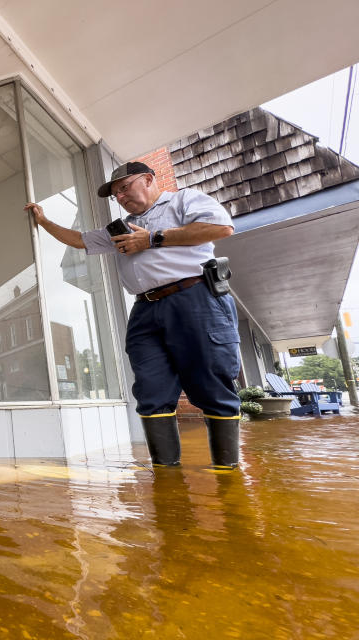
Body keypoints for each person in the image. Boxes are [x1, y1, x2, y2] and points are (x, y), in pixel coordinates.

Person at [24, 161, 242, 468]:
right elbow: (79, 240)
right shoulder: (121, 229)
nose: (121, 197)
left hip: (194, 298)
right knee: (150, 388)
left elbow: (221, 228)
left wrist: (151, 238)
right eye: (116, 194)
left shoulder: (183, 200)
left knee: (211, 380)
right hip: (145, 309)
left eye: (125, 187)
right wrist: (44, 221)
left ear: (149, 179)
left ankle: (228, 476)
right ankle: (166, 478)